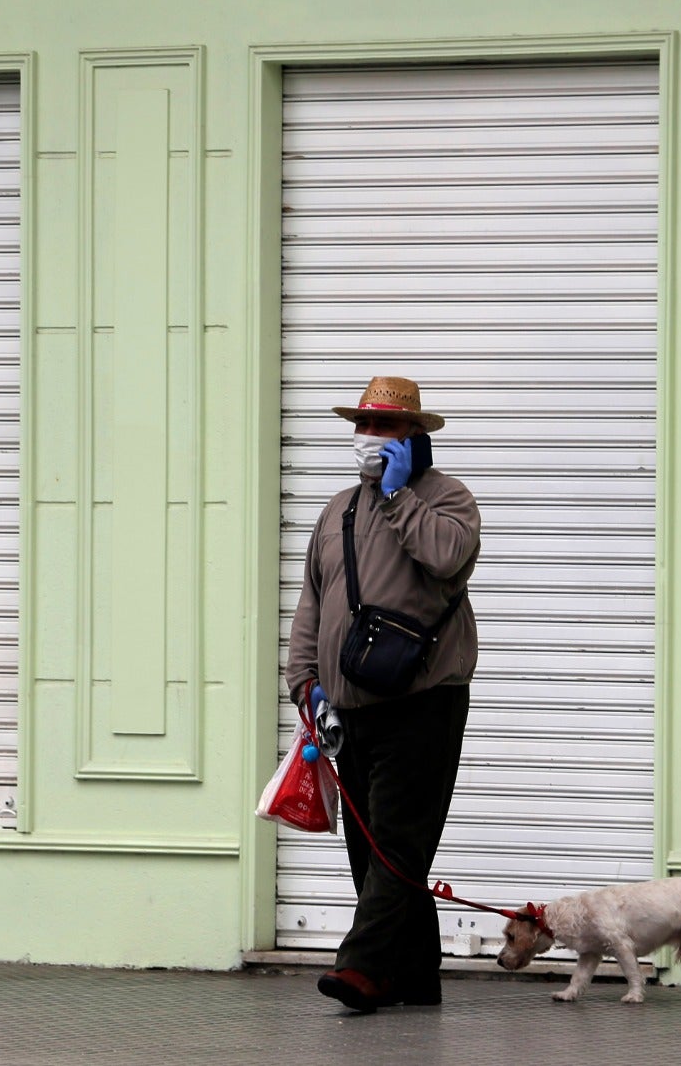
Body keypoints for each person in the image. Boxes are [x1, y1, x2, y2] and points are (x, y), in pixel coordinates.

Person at [285, 375, 481, 1014]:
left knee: (397, 841)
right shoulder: (338, 509)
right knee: (370, 845)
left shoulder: (448, 500)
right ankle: (414, 976)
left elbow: (446, 558)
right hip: (348, 707)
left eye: (384, 426)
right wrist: (304, 681)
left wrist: (399, 496)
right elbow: (314, 600)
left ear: (414, 435)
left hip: (423, 700)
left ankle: (363, 967)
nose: (368, 436)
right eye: (362, 425)